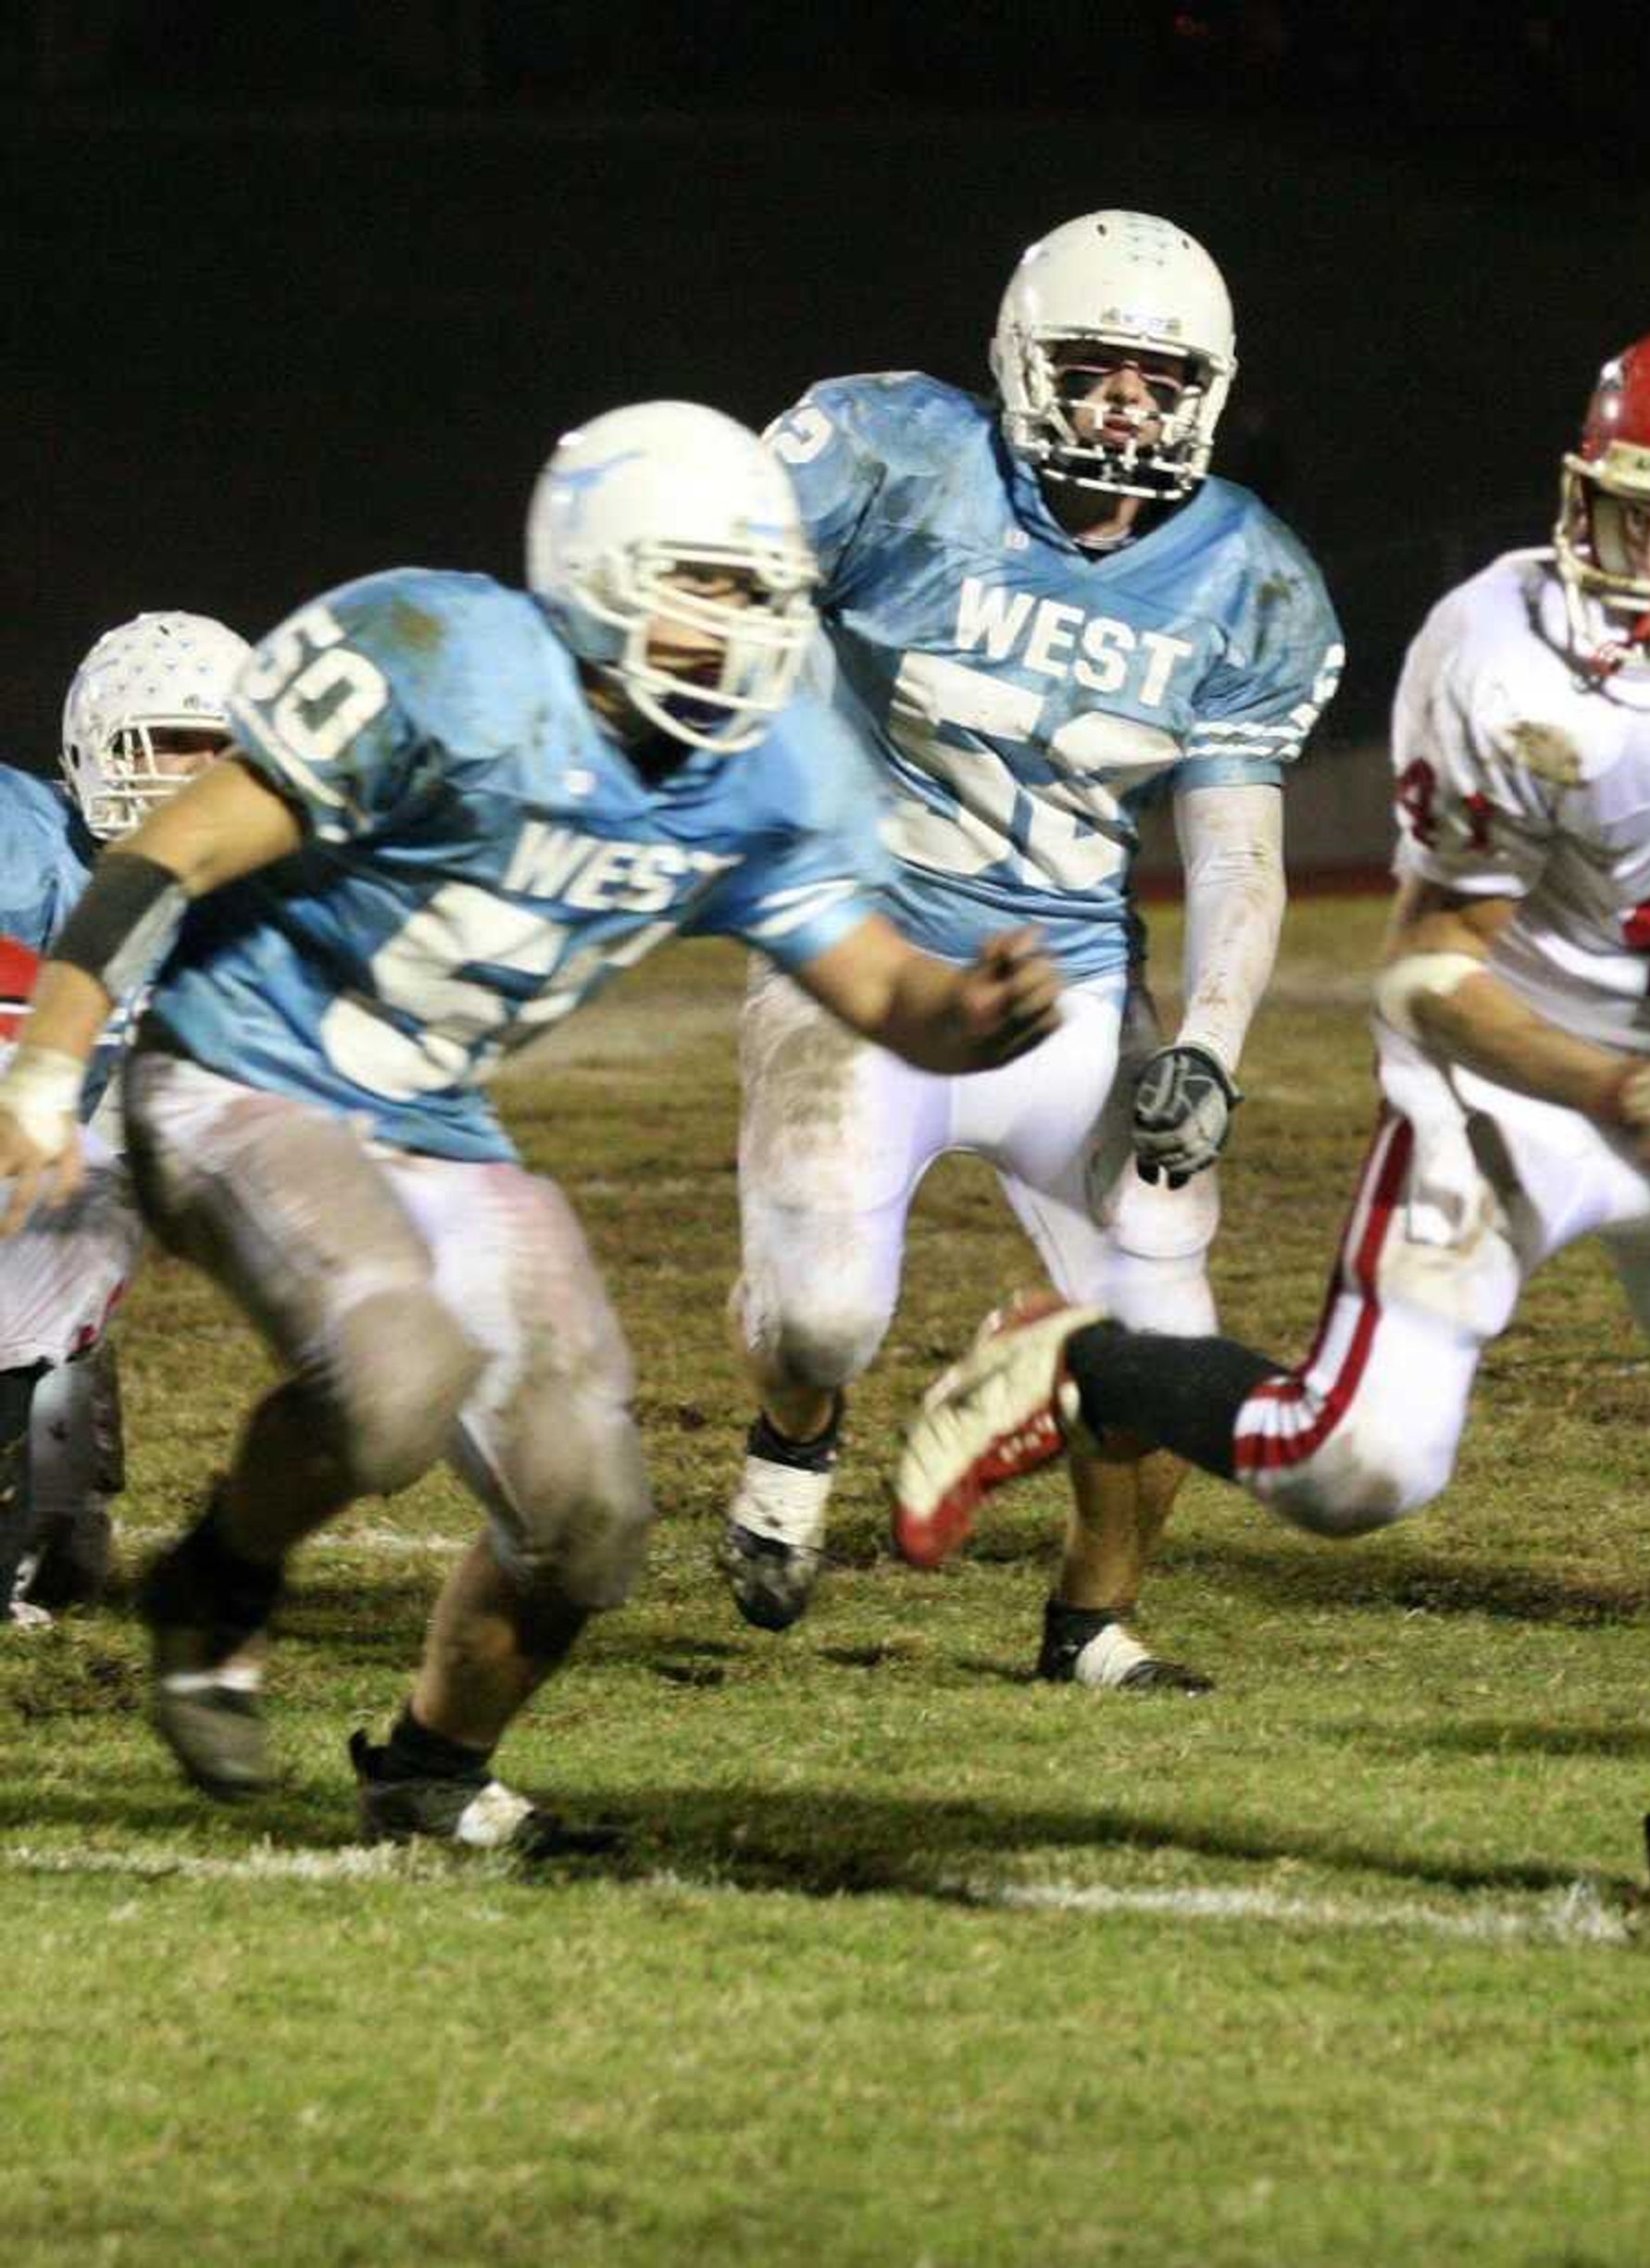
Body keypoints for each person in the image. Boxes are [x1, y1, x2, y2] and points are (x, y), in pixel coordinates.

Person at [890, 318, 1650, 1915]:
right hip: (1519, 1070)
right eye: (1624, 507)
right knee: (1353, 1473)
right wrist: (1630, 1088)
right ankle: (1071, 1358)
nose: (1646, 554)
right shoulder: (1506, 655)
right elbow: (1429, 977)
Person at [0, 403, 1069, 1850]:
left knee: (586, 1513)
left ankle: (432, 1768)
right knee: (393, 1369)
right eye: (705, 581)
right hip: (242, 1064)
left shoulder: (759, 764)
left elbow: (878, 981)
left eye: (759, 591)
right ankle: (218, 1579)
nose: (736, 624)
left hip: (433, 1117)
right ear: (599, 562)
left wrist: (974, 1014)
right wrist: (51, 1070)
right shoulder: (445, 661)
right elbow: (170, 845)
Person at [719, 210, 1342, 1690]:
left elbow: (1238, 849)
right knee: (821, 1310)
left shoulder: (1248, 575)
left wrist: (1209, 1045)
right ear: (1018, 360)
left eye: (1158, 374)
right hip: (862, 962)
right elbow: (718, 583)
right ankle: (794, 1432)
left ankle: (1092, 1616)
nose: (1127, 400)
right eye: (1094, 366)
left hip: (1070, 982)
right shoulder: (894, 456)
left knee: (1169, 1347)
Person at [0, 613, 246, 1623]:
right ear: (101, 738)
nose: (198, 769)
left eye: (223, 746)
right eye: (174, 738)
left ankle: (53, 1494)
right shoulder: (21, 845)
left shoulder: (233, 891)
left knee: (91, 1202)